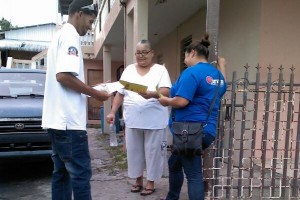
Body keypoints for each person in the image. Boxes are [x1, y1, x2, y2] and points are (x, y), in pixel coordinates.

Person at [42, 0, 111, 199]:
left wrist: (93, 89)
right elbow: (63, 76)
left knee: (62, 174)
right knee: (80, 175)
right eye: (90, 21)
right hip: (68, 124)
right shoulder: (70, 36)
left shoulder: (60, 35)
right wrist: (95, 93)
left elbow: (66, 77)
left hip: (57, 121)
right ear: (79, 14)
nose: (91, 27)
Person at [158, 34, 227, 200]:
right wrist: (222, 66)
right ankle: (172, 197)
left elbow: (181, 101)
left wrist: (165, 100)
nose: (184, 59)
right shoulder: (217, 75)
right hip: (205, 131)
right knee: (174, 163)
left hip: (189, 133)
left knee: (194, 175)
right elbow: (223, 86)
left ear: (192, 53)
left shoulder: (191, 73)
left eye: (185, 55)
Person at [106, 39, 172, 196]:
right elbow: (120, 93)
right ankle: (138, 180)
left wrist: (150, 94)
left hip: (155, 121)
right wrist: (112, 112)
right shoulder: (128, 70)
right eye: (138, 53)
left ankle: (151, 182)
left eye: (144, 52)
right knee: (134, 152)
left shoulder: (160, 70)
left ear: (151, 53)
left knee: (153, 152)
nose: (141, 56)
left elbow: (166, 92)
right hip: (133, 120)